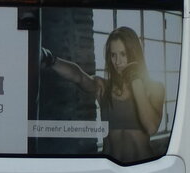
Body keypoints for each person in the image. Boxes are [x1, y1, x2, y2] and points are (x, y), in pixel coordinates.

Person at [42, 26, 165, 162]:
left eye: (123, 54)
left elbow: (151, 127)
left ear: (134, 54)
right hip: (109, 172)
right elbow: (79, 77)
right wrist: (49, 58)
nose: (117, 62)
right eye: (113, 55)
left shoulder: (155, 88)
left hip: (142, 169)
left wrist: (136, 80)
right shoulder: (104, 87)